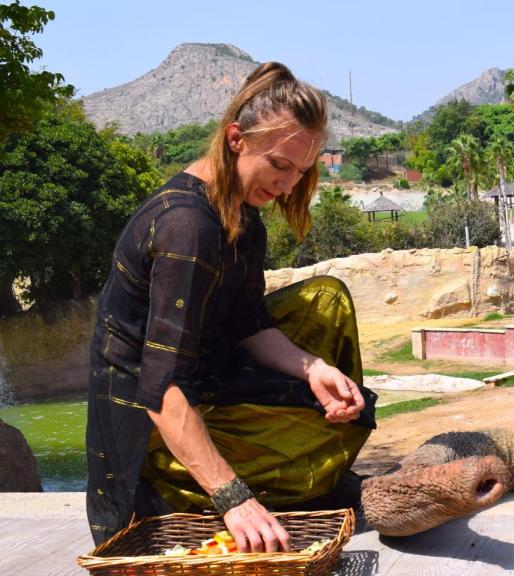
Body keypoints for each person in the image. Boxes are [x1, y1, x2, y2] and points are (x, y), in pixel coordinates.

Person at [85, 62, 376, 552]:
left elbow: (249, 324)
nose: (287, 185)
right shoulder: (186, 228)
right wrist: (234, 497)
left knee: (325, 303)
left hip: (210, 379)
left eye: (300, 172)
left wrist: (313, 369)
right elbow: (162, 387)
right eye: (280, 165)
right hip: (148, 438)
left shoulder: (244, 213)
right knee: (294, 449)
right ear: (236, 138)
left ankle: (287, 477)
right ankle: (211, 487)